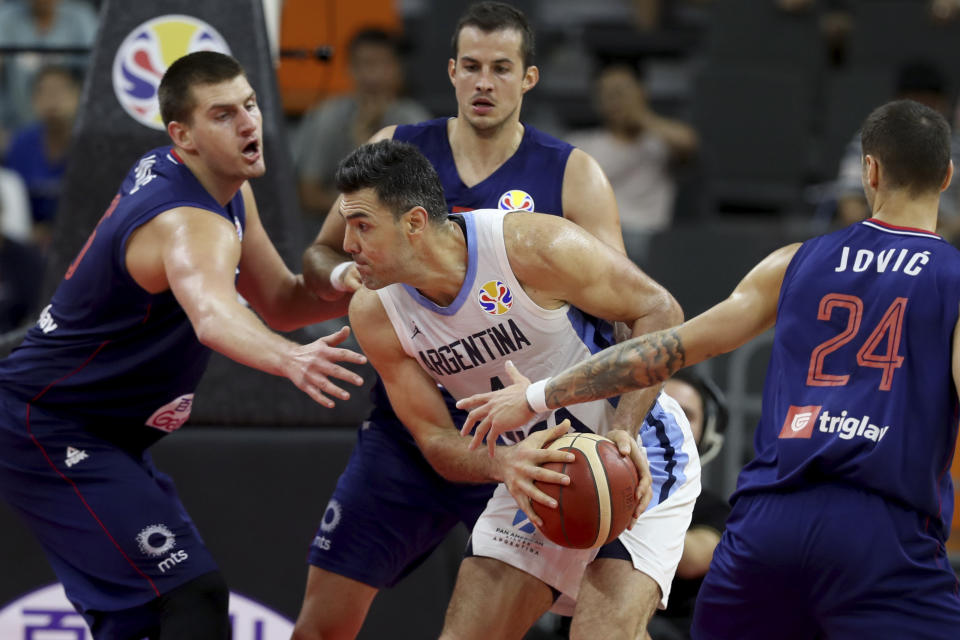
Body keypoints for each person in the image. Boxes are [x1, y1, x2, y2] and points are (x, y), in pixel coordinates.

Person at [458, 99, 960, 639]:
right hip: (882, 530)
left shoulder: (794, 261)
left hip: (768, 526)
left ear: (870, 170)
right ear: (947, 177)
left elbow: (666, 349)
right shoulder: (953, 278)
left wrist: (541, 395)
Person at [292, 3, 643, 638]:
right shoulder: (396, 152)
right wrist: (354, 277)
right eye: (472, 67)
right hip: (419, 424)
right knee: (322, 621)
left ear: (528, 79)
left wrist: (626, 421)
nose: (485, 83)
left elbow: (627, 312)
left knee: (582, 618)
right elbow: (320, 253)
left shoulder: (571, 174)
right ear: (451, 72)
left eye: (501, 69)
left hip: (535, 434)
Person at [0, 51, 367, 640]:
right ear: (183, 135)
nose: (249, 123)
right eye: (223, 115)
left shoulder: (221, 186)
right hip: (48, 425)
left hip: (106, 431)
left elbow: (279, 299)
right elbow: (214, 317)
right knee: (188, 598)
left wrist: (363, 280)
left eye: (249, 105)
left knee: (141, 616)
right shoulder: (188, 222)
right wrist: (288, 356)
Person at [334, 138, 699, 640]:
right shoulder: (375, 313)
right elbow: (437, 441)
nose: (347, 244)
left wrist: (623, 429)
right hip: (533, 474)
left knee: (599, 633)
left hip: (634, 455)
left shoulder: (531, 247)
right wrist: (502, 464)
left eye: (362, 226)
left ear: (414, 223)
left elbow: (661, 311)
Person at [292, 28, 430, 221]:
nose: (372, 75)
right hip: (334, 227)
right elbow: (308, 194)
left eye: (381, 64)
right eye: (364, 64)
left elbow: (422, 196)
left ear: (397, 69)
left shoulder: (414, 120)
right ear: (350, 69)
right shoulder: (327, 115)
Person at [566, 62, 698, 260]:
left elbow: (689, 144)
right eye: (608, 93)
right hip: (596, 236)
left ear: (642, 92)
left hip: (648, 235)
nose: (616, 99)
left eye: (623, 91)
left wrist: (640, 117)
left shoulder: (660, 143)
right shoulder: (580, 144)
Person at [834, 60, 960, 237]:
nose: (921, 113)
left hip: (944, 240)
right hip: (878, 239)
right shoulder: (871, 139)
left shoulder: (955, 146)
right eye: (914, 103)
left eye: (929, 104)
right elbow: (850, 202)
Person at [648, 370, 730, 640]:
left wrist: (622, 506)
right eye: (657, 407)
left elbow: (693, 560)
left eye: (685, 413)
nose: (667, 420)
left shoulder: (716, 510)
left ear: (706, 435)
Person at [3, 64, 82, 250]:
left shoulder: (91, 145)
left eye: (60, 91)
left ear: (78, 96)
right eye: (44, 92)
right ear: (33, 100)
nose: (52, 100)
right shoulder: (21, 144)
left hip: (79, 240)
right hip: (28, 243)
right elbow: (12, 202)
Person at [0, 0, 97, 139]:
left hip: (71, 130)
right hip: (13, 126)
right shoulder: (6, 17)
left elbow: (97, 73)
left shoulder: (80, 17)